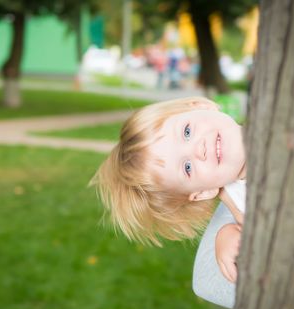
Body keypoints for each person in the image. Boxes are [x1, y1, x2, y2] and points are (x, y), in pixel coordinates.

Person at [90, 96, 246, 283]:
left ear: (201, 106)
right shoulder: (244, 204)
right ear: (204, 191)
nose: (199, 149)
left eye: (187, 132)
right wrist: (227, 235)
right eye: (187, 167)